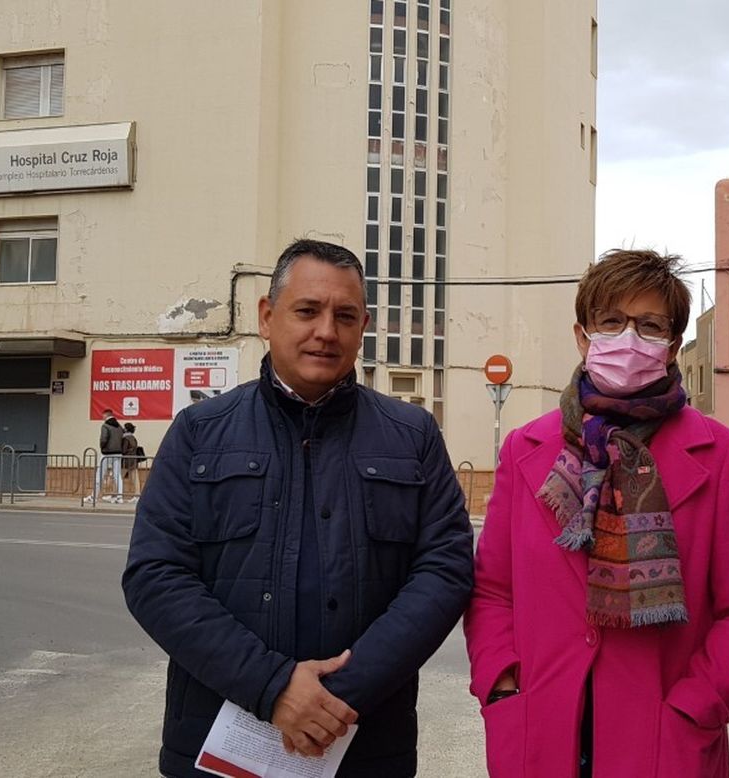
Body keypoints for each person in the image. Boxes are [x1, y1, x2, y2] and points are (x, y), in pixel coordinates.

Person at [122, 239, 473, 777]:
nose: (326, 331)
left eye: (345, 316)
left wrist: (335, 699)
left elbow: (444, 571)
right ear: (267, 317)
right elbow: (155, 575)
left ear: (364, 326)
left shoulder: (413, 436)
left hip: (365, 742)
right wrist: (272, 687)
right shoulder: (200, 432)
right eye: (307, 311)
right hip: (219, 743)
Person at [465, 249, 729, 777]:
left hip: (662, 737)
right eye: (611, 321)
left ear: (674, 345)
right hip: (540, 728)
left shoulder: (719, 453)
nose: (628, 338)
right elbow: (492, 590)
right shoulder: (526, 448)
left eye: (649, 325)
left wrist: (698, 705)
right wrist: (501, 684)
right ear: (582, 335)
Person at [98, 409, 126, 502]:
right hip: (118, 453)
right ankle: (120, 497)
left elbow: (103, 439)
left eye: (103, 416)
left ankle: (94, 496)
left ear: (106, 415)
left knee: (100, 474)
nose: (102, 417)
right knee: (117, 475)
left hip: (107, 453)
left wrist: (102, 448)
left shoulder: (105, 426)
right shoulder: (119, 427)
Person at [120, 422, 141, 499]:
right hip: (134, 460)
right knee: (135, 478)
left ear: (126, 429)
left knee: (119, 478)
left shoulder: (125, 438)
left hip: (126, 461)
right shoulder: (133, 438)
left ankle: (116, 494)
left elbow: (124, 450)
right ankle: (137, 494)